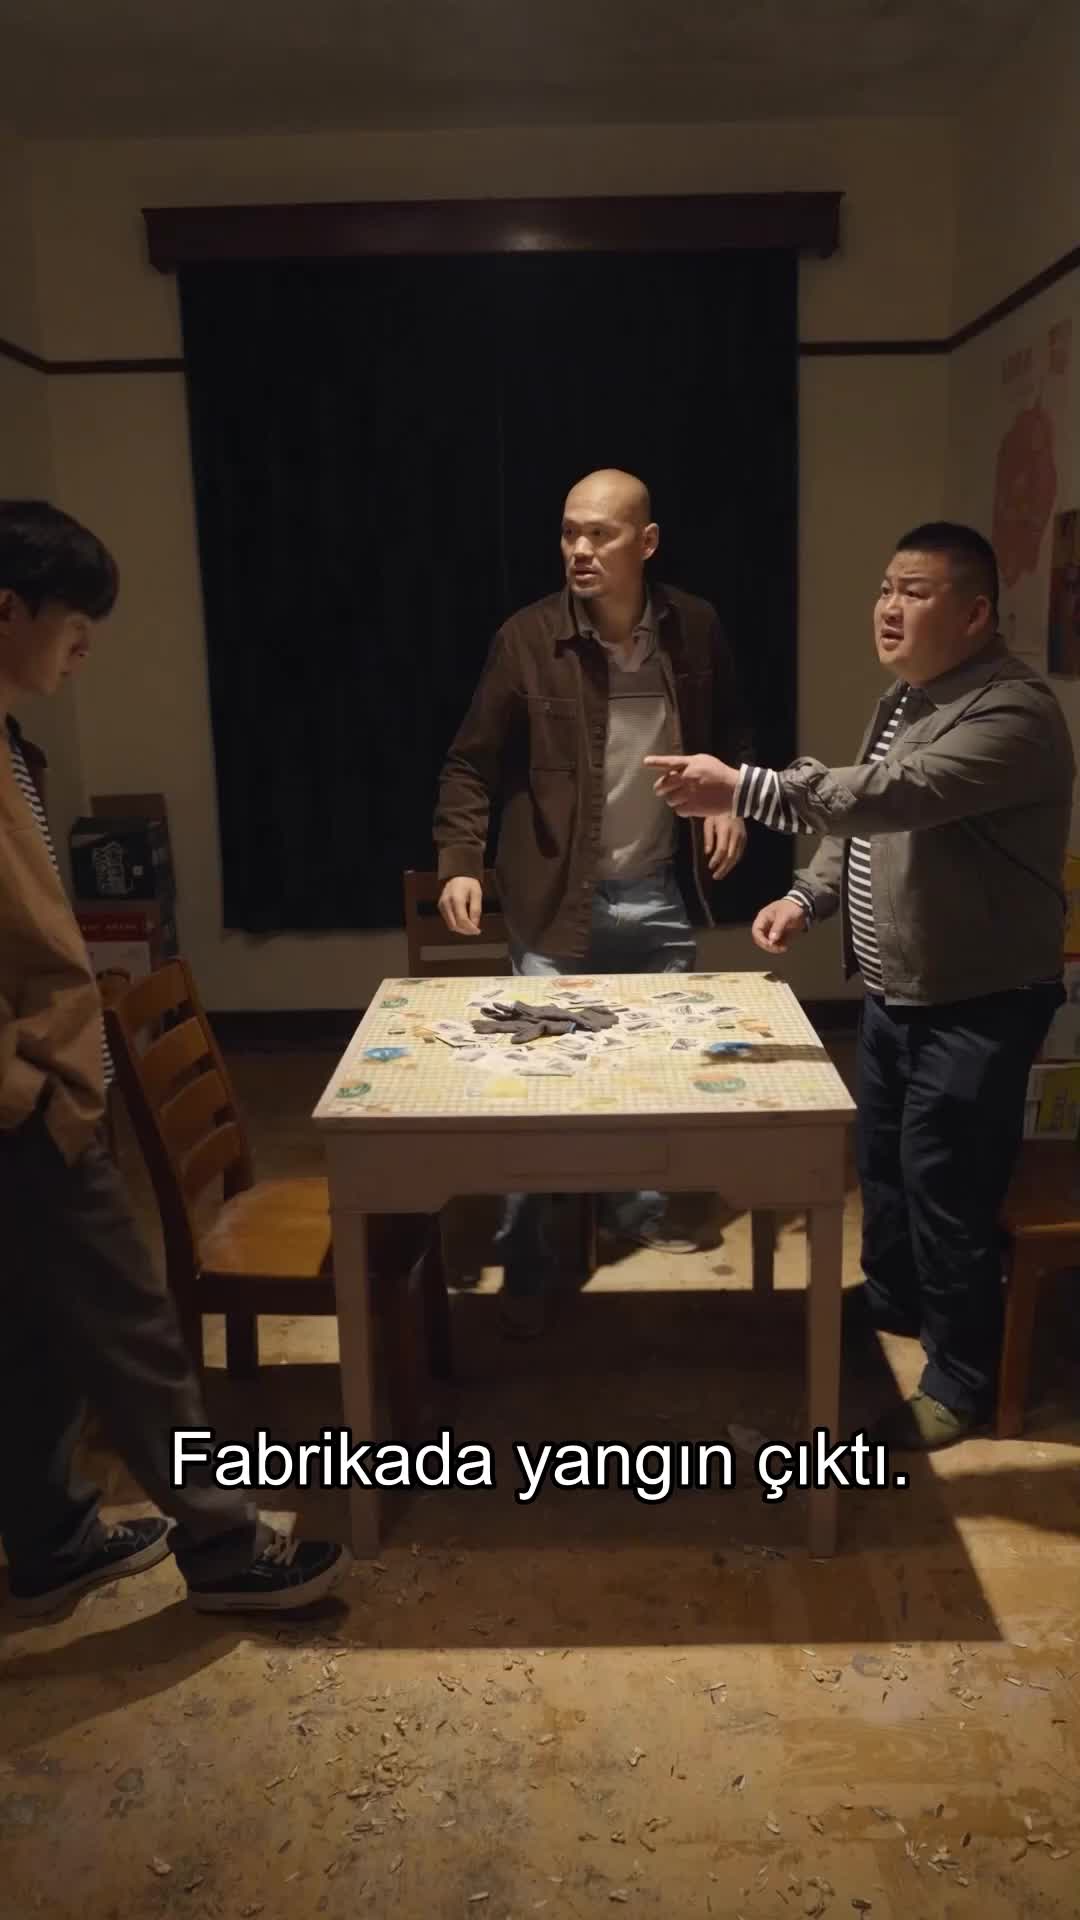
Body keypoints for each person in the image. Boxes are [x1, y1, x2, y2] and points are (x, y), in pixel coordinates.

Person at [646, 521, 1075, 1449]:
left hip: (978, 1004)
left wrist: (745, 790)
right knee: (881, 1167)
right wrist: (807, 895)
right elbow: (866, 821)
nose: (888, 607)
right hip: (894, 993)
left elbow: (892, 796)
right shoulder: (908, 698)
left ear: (975, 614)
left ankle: (961, 1382)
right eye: (885, 587)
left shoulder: (1013, 714)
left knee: (947, 1187)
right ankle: (892, 1305)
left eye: (914, 592)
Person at [1, 500, 349, 1617]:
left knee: (35, 1324)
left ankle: (50, 1537)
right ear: (7, 610)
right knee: (132, 1324)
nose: (84, 650)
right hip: (24, 1103)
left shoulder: (12, 740)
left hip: (41, 1085)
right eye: (74, 625)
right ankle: (225, 1545)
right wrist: (26, 1086)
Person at [434, 468, 752, 1335]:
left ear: (646, 543)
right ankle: (528, 1251)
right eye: (569, 532)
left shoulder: (695, 628)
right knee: (538, 1089)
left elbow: (731, 732)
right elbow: (470, 761)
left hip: (657, 890)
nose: (579, 548)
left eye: (600, 534)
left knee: (656, 1075)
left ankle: (632, 1212)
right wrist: (460, 859)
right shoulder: (528, 637)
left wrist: (731, 799)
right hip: (553, 898)